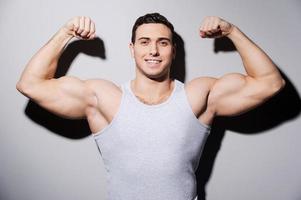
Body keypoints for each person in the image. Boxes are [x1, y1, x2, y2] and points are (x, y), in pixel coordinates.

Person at [17, 13, 285, 200]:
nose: (153, 50)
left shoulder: (197, 96)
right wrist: (65, 34)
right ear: (132, 49)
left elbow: (270, 82)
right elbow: (30, 84)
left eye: (163, 42)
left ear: (173, 51)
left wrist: (231, 31)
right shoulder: (105, 98)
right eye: (144, 42)